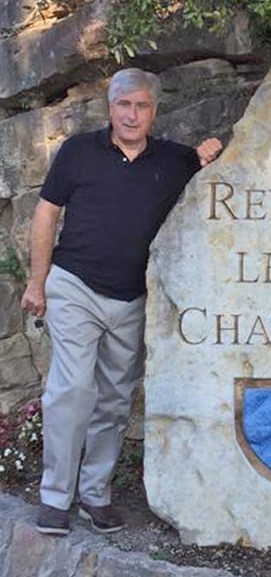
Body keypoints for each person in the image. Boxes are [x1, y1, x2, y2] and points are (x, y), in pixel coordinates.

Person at [21, 68, 223, 536]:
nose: (132, 115)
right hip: (74, 286)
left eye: (142, 106)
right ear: (110, 109)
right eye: (124, 105)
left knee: (114, 400)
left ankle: (95, 495)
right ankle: (55, 497)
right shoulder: (77, 152)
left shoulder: (174, 160)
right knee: (71, 390)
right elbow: (46, 214)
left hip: (132, 299)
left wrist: (208, 154)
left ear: (154, 111)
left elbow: (208, 168)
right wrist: (37, 282)